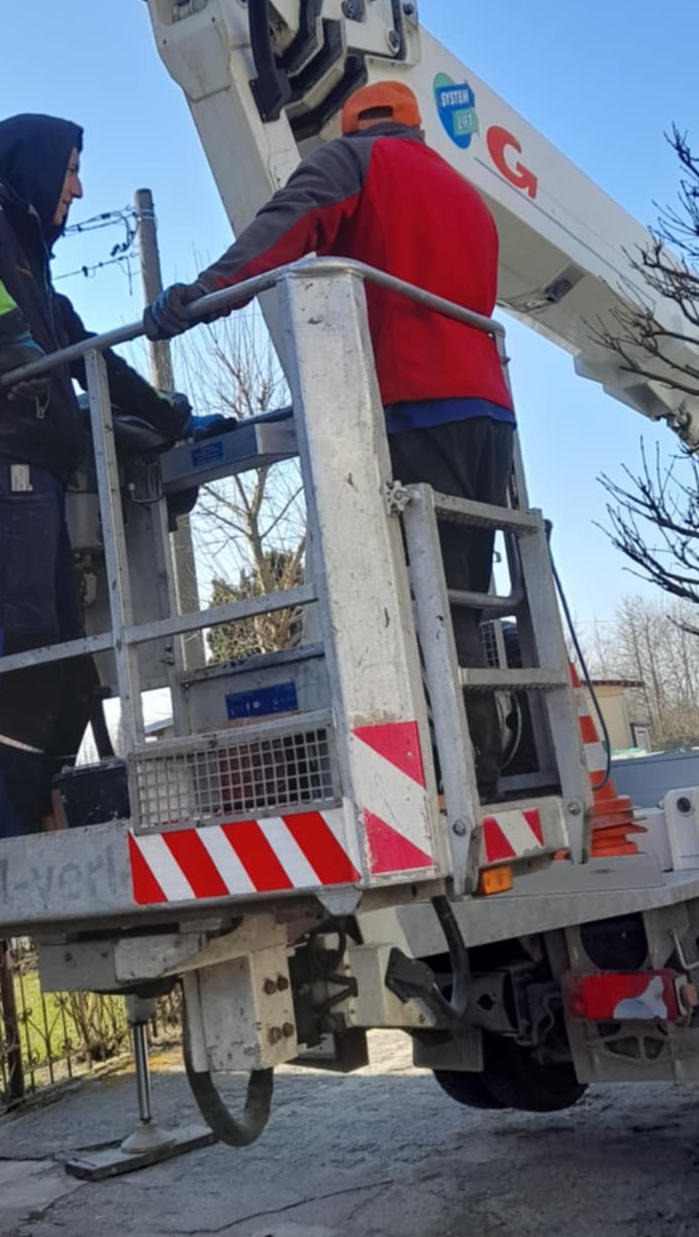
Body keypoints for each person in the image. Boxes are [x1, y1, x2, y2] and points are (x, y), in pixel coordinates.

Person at [144, 80, 516, 798]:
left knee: (403, 597)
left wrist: (202, 296)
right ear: (413, 126)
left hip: (414, 403)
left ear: (352, 128)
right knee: (461, 599)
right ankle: (479, 770)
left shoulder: (353, 161)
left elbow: (287, 225)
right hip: (487, 410)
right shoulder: (469, 195)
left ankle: (439, 781)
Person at [0, 113, 207, 838]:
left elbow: (92, 357)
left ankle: (39, 812)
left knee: (71, 661)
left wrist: (173, 420)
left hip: (38, 467)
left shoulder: (37, 280)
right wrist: (8, 336)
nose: (78, 187)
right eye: (72, 168)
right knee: (16, 638)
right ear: (40, 166)